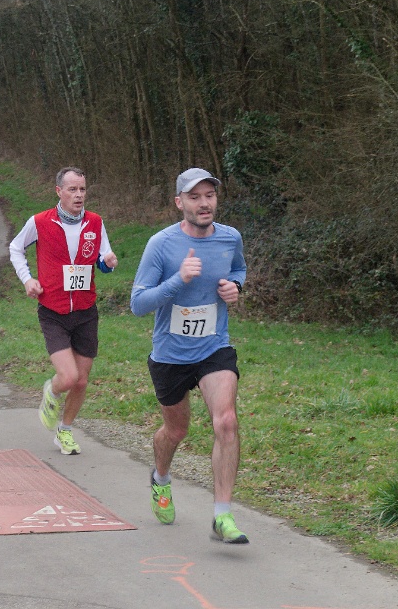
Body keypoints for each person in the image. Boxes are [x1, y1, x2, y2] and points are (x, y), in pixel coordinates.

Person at [130, 167, 248, 544]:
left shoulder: (230, 237)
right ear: (179, 203)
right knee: (176, 430)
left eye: (209, 195)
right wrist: (177, 279)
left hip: (214, 347)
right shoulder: (161, 244)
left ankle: (222, 516)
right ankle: (161, 478)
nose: (204, 203)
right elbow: (138, 304)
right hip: (170, 354)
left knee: (226, 422)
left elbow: (239, 268)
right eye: (194, 197)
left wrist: (235, 286)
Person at [8, 167, 118, 456]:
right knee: (68, 377)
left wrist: (108, 262)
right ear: (59, 191)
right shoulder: (40, 222)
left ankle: (65, 431)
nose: (79, 195)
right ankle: (52, 390)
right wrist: (27, 279)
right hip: (53, 310)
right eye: (72, 189)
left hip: (85, 311)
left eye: (82, 189)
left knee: (81, 380)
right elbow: (15, 248)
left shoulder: (95, 222)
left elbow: (102, 260)